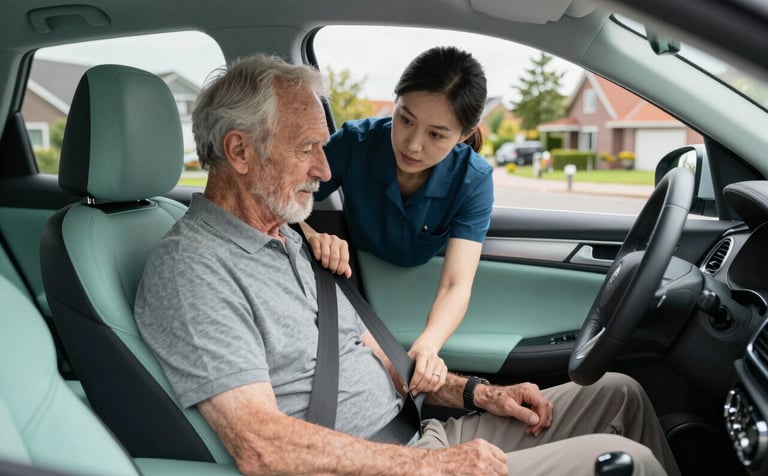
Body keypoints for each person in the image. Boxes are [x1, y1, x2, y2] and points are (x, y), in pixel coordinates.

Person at [134, 53, 679, 476]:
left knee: (620, 394)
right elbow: (259, 445)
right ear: (239, 151)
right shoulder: (192, 270)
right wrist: (430, 466)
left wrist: (480, 393)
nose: (326, 170)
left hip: (417, 438)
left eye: (324, 148)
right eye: (307, 149)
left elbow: (382, 361)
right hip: (386, 462)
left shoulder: (286, 241)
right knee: (624, 462)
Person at [302, 46, 494, 395]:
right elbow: (278, 200)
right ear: (396, 102)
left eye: (436, 134)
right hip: (349, 288)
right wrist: (310, 232)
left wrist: (429, 344)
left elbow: (456, 284)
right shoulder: (355, 143)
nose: (413, 144)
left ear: (464, 135)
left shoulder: (474, 179)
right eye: (405, 119)